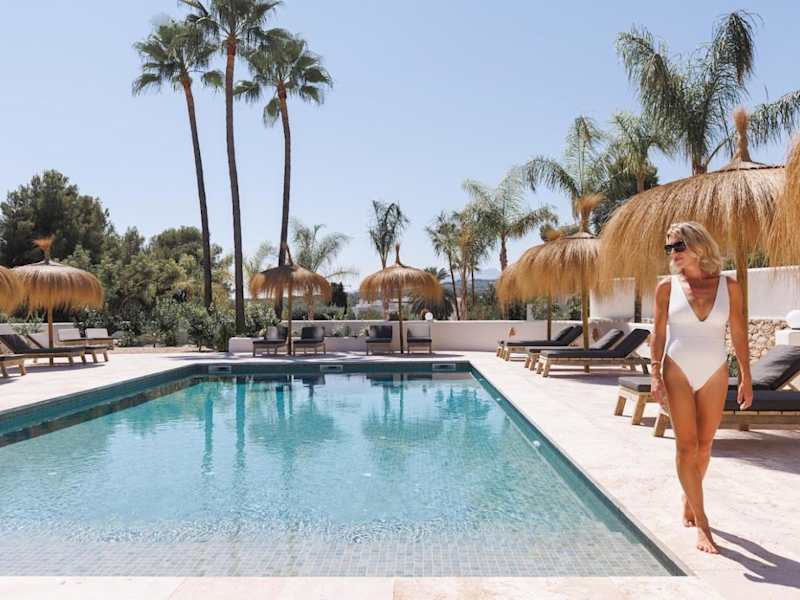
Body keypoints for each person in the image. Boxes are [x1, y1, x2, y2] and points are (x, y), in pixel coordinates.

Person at [650, 222, 753, 554]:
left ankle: (689, 496)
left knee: (705, 446)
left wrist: (746, 376)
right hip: (677, 369)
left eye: (678, 246)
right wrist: (655, 374)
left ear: (698, 245)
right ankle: (703, 524)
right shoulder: (666, 287)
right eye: (669, 248)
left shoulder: (729, 286)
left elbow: (738, 332)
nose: (673, 253)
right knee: (686, 447)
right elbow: (658, 333)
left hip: (715, 371)